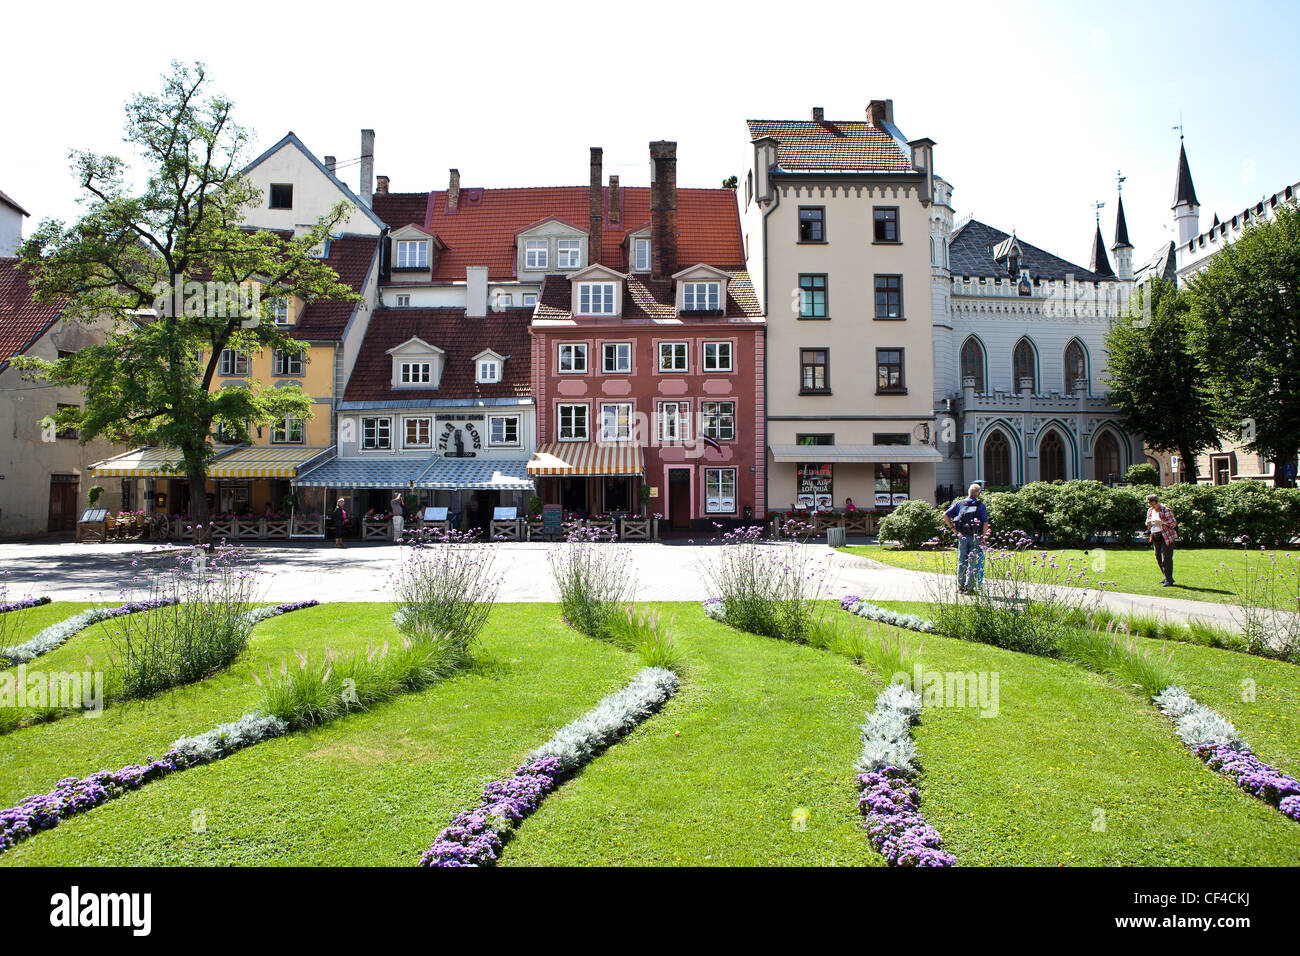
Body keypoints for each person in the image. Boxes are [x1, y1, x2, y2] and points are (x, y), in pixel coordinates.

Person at [942, 483, 990, 594]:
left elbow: (945, 515)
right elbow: (985, 523)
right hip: (975, 536)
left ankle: (960, 586)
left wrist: (953, 529)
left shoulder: (960, 503)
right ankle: (969, 588)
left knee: (961, 561)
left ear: (968, 492)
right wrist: (984, 537)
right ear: (978, 494)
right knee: (973, 562)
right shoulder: (980, 506)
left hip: (962, 536)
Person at [1145, 493, 1178, 586]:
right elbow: (1147, 522)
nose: (1151, 506)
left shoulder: (1165, 510)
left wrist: (1162, 522)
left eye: (1152, 504)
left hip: (1165, 536)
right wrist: (1148, 523)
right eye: (1149, 504)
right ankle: (1165, 576)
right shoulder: (1150, 511)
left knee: (1166, 558)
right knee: (1158, 557)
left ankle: (1169, 580)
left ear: (1156, 502)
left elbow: (1173, 523)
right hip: (1155, 535)